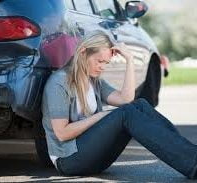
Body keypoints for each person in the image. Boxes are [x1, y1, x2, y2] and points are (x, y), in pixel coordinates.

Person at [42, 30, 197, 179]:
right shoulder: (59, 83)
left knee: (140, 104)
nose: (102, 67)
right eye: (99, 61)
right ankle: (193, 163)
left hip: (95, 157)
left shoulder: (94, 81)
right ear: (83, 52)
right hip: (69, 160)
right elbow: (61, 133)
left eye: (106, 63)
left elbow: (126, 99)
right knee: (126, 113)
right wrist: (100, 117)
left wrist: (129, 59)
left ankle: (191, 156)